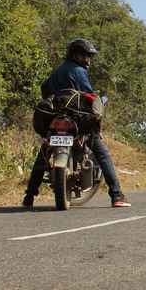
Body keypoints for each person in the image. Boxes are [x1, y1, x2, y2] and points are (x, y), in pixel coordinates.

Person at [22, 38, 131, 208]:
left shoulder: (58, 71)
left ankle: (29, 196)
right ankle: (117, 195)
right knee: (102, 153)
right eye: (85, 55)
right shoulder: (78, 71)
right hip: (76, 121)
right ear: (75, 55)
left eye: (89, 56)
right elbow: (88, 97)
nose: (88, 59)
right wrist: (101, 101)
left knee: (44, 153)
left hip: (55, 120)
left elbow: (45, 89)